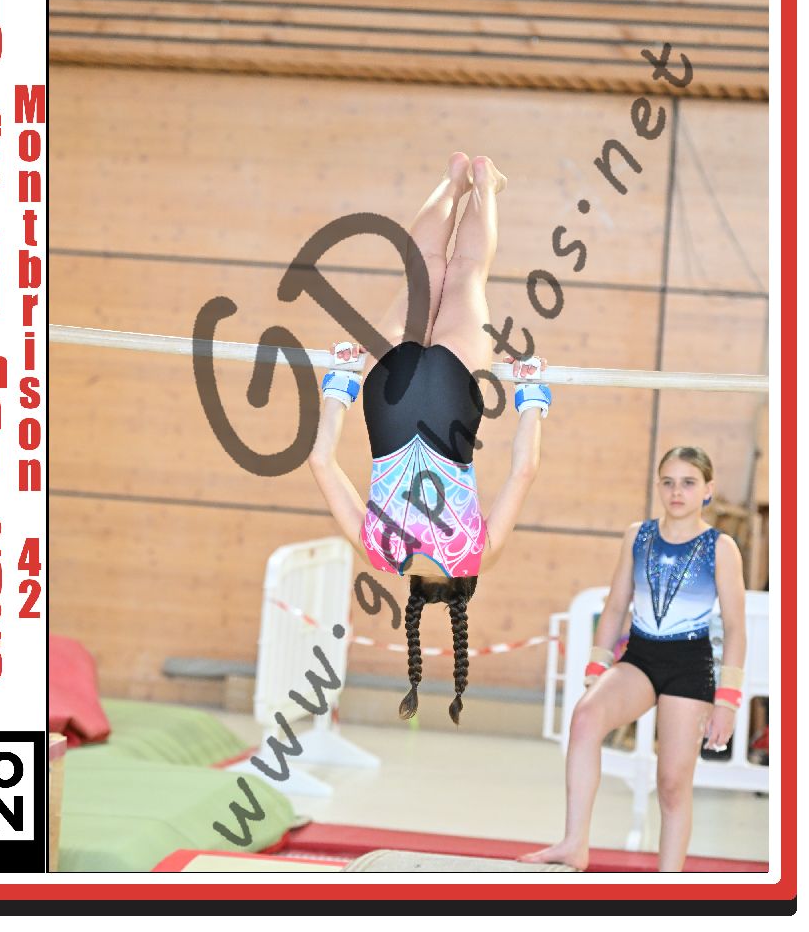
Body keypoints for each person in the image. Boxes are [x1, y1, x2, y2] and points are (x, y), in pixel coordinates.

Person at [308, 153, 551, 723]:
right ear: (412, 593)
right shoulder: (378, 554)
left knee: (465, 273)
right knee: (420, 272)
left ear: (465, 587)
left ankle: (483, 183)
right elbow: (320, 461)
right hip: (387, 399)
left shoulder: (475, 556)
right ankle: (452, 178)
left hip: (449, 400)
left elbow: (524, 470)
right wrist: (340, 385)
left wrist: (532, 397)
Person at [519, 446, 747, 872]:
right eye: (668, 482)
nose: (676, 492)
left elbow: (735, 627)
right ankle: (574, 843)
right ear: (658, 486)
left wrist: (728, 701)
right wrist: (596, 668)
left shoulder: (721, 548)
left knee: (672, 783)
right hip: (641, 657)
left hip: (689, 665)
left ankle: (668, 883)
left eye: (688, 483)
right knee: (585, 717)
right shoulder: (638, 536)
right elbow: (615, 606)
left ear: (708, 490)